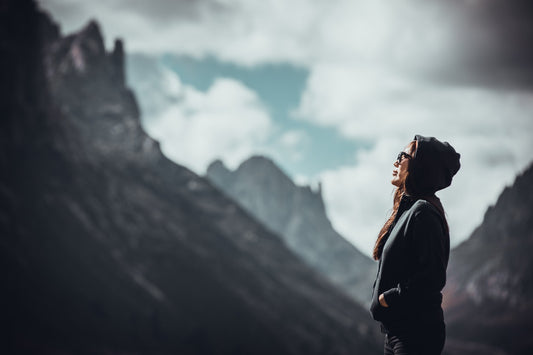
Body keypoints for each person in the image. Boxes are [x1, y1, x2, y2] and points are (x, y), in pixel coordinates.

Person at [369, 135, 461, 355]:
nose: (397, 161)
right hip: (398, 331)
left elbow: (432, 277)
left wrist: (388, 298)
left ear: (421, 166)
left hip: (415, 334)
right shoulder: (410, 210)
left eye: (404, 155)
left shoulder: (423, 212)